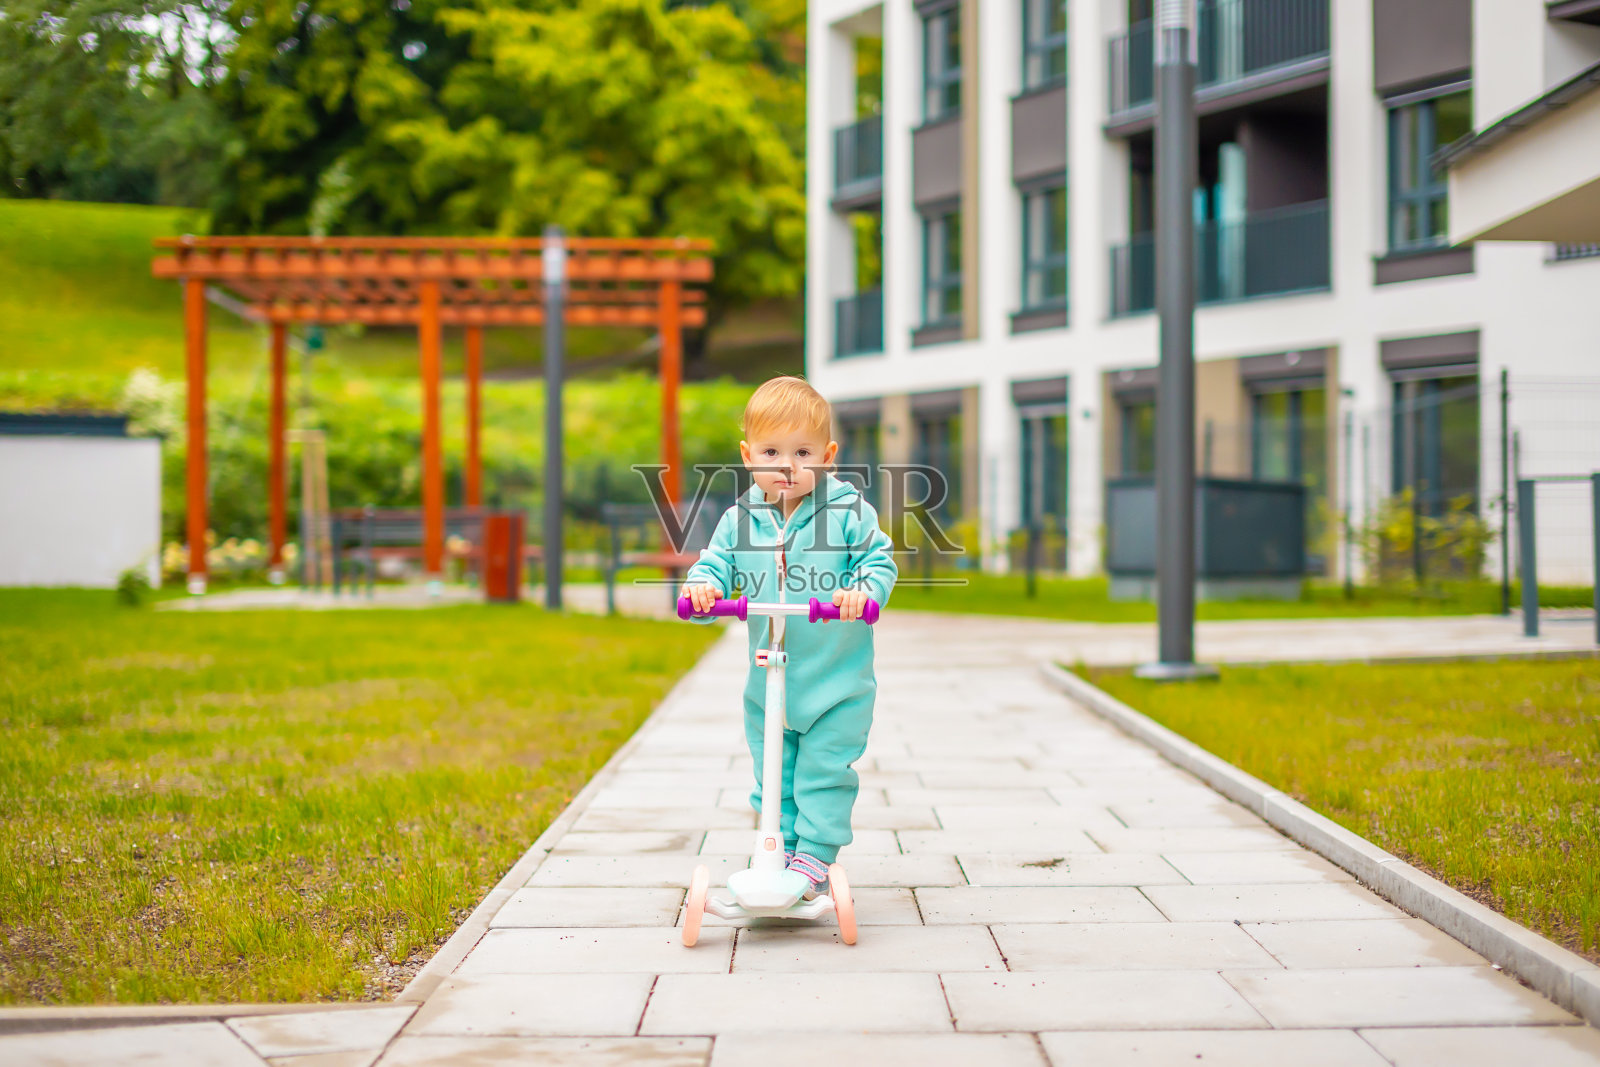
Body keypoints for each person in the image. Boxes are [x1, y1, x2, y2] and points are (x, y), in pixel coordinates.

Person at [679, 375, 898, 897]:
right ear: (748, 454)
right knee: (772, 772)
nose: (787, 465)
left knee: (822, 771)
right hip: (769, 679)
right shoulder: (739, 519)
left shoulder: (848, 513)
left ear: (828, 455)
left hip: (835, 684)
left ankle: (815, 857)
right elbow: (714, 565)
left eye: (802, 452)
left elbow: (877, 560)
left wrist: (861, 593)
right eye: (772, 451)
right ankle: (775, 848)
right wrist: (705, 590)